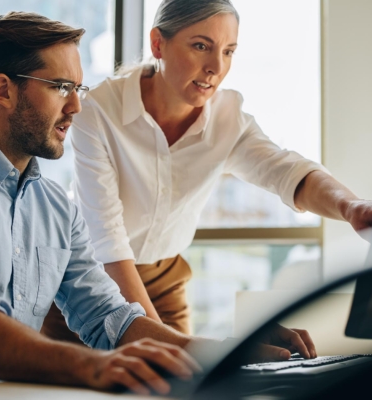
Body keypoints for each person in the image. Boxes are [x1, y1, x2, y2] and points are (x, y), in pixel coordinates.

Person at [0, 10, 318, 396]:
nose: (76, 106)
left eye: (79, 88)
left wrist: (231, 354)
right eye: (60, 86)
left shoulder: (54, 207)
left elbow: (113, 319)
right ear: (3, 90)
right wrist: (96, 367)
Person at [41, 0, 372, 341]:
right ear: (158, 44)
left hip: (165, 280)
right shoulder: (97, 110)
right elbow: (107, 242)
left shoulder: (228, 116)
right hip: (89, 283)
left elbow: (286, 172)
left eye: (229, 51)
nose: (216, 66)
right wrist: (182, 348)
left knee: (189, 390)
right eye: (201, 46)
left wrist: (351, 207)